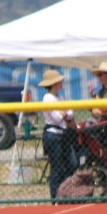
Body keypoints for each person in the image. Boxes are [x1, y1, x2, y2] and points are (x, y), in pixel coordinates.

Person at [39, 70, 76, 199]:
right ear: (54, 83)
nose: (61, 83)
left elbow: (69, 114)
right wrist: (64, 112)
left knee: (72, 164)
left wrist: (64, 112)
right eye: (59, 81)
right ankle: (55, 197)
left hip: (63, 134)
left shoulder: (59, 97)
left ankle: (64, 192)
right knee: (57, 168)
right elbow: (57, 118)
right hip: (53, 136)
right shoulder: (48, 98)